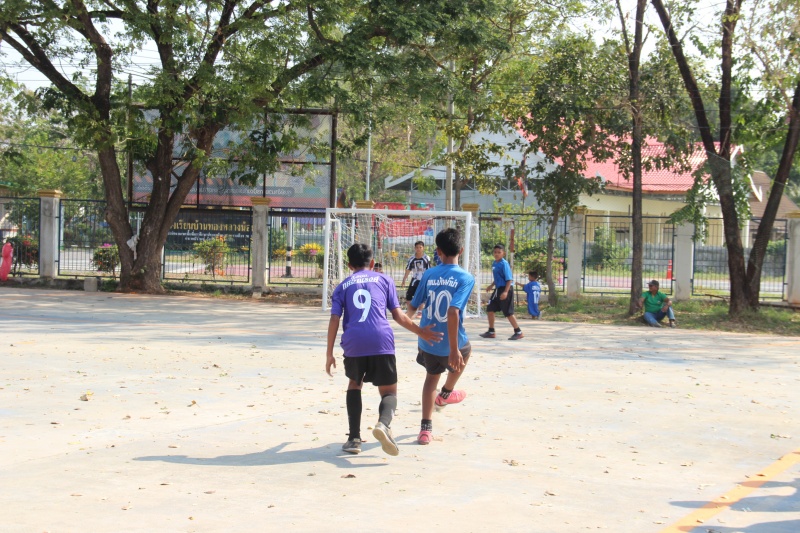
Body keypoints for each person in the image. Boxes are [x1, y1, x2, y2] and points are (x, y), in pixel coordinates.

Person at [326, 244, 442, 456]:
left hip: (354, 342)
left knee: (355, 384)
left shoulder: (342, 287)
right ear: (372, 263)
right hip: (381, 340)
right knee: (389, 391)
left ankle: (354, 439)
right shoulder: (384, 280)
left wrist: (329, 353)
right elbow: (398, 315)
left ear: (349, 265)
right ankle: (383, 424)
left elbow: (334, 319)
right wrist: (421, 332)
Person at [407, 228, 475, 445]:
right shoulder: (466, 278)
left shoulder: (429, 274)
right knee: (466, 351)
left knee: (430, 378)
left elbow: (413, 305)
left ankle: (425, 429)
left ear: (438, 251)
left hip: (428, 340)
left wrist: (410, 323)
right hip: (450, 344)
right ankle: (446, 393)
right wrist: (454, 350)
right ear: (461, 250)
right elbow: (453, 311)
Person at [480, 244, 524, 340]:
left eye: (499, 252)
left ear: (503, 253)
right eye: (495, 252)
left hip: (506, 289)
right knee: (490, 308)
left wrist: (505, 292)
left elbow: (509, 279)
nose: (496, 254)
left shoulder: (504, 264)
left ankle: (518, 332)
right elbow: (498, 277)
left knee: (508, 312)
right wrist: (491, 285)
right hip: (498, 289)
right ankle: (491, 331)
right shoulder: (494, 263)